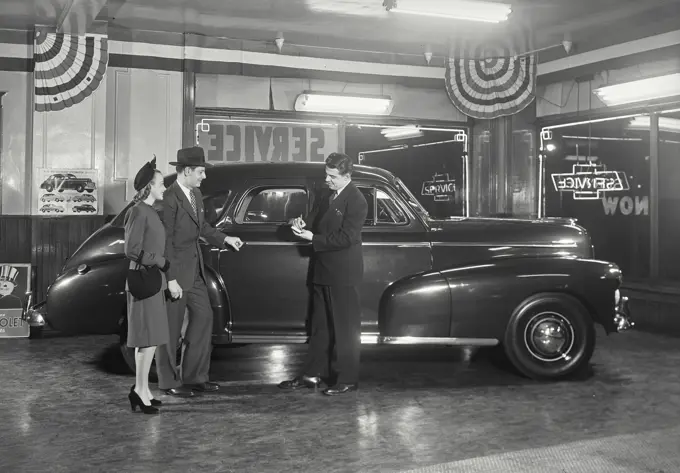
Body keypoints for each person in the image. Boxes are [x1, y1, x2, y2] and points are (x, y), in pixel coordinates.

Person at [156, 146, 243, 397]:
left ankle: (194, 377)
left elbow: (202, 227)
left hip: (194, 271)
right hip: (175, 272)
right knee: (171, 329)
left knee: (204, 318)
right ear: (186, 171)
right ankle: (168, 381)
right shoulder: (169, 199)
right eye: (201, 172)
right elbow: (166, 241)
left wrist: (225, 239)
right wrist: (169, 278)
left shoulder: (194, 194)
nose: (204, 177)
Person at [278, 152, 368, 396]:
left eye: (332, 176)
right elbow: (315, 220)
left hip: (343, 273)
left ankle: (347, 379)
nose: (327, 180)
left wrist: (312, 238)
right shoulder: (329, 195)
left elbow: (347, 237)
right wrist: (300, 223)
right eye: (326, 174)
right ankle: (311, 374)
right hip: (323, 270)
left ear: (346, 176)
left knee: (345, 329)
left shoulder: (357, 200)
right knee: (320, 327)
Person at [124, 157, 170, 415]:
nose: (164, 188)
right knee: (147, 339)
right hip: (144, 279)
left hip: (151, 279)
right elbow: (131, 250)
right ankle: (140, 391)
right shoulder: (138, 211)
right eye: (161, 184)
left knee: (150, 340)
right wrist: (161, 261)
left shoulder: (150, 211)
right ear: (149, 187)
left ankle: (142, 390)